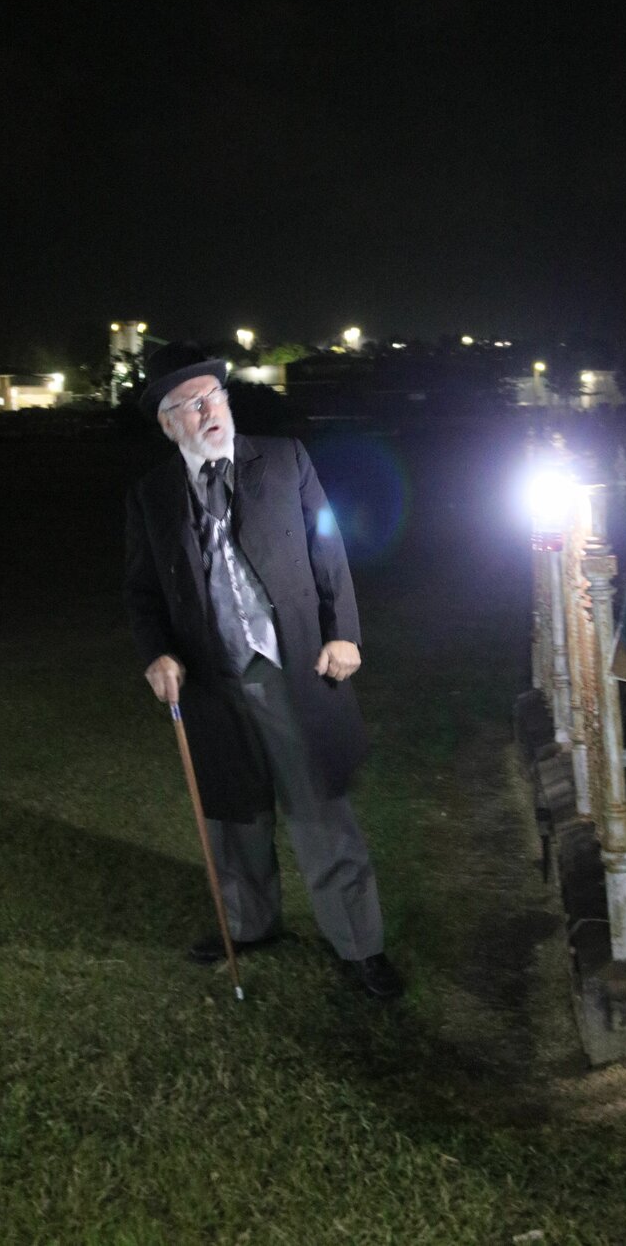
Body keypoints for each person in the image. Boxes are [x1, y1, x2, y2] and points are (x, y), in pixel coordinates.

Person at [125, 341, 403, 999]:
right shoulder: (151, 495)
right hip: (211, 678)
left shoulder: (283, 459)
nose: (207, 410)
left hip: (292, 666)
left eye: (213, 396)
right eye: (189, 406)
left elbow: (326, 547)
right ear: (169, 425)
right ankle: (249, 924)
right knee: (233, 815)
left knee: (319, 811)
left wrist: (344, 634)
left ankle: (360, 948)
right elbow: (141, 591)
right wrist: (156, 652)